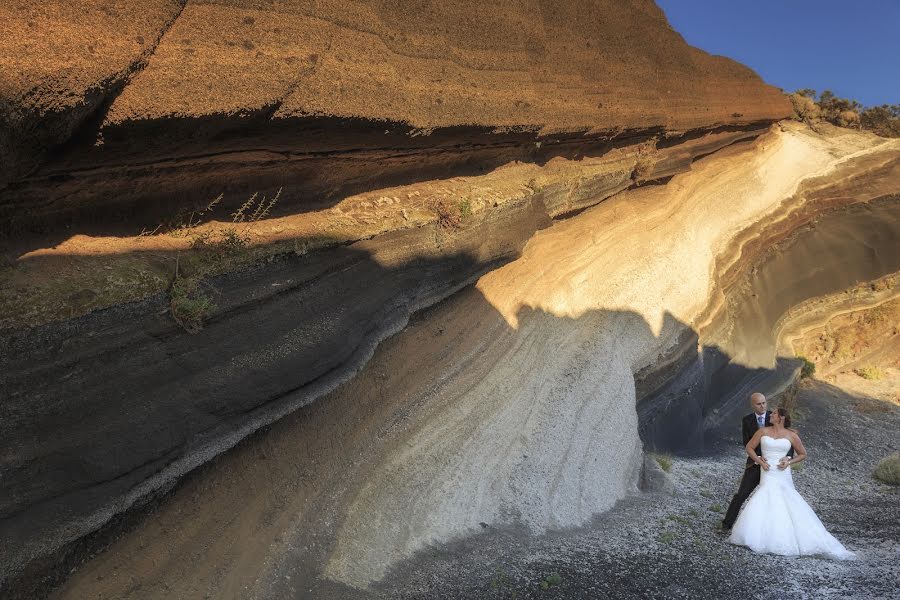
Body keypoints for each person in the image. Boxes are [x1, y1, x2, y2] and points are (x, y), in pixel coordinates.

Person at [729, 407, 855, 559]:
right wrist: (759, 460)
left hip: (782, 471)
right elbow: (749, 447)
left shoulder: (791, 435)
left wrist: (789, 461)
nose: (771, 414)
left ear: (781, 417)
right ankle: (762, 535)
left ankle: (784, 537)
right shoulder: (762, 431)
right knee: (766, 495)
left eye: (774, 413)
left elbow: (803, 454)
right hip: (767, 470)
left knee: (785, 499)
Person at [721, 392, 791, 530]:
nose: (763, 406)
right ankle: (726, 525)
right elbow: (746, 442)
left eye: (764, 402)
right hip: (754, 463)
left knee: (777, 497)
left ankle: (776, 529)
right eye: (759, 404)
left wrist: (788, 457)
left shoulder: (775, 417)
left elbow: (787, 439)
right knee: (741, 494)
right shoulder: (747, 420)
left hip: (775, 467)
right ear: (753, 405)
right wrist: (757, 458)